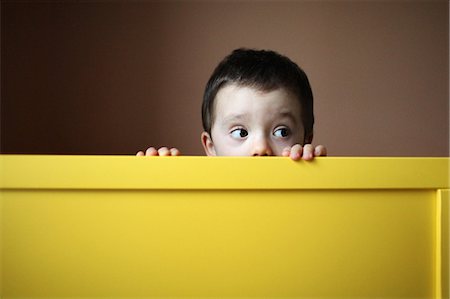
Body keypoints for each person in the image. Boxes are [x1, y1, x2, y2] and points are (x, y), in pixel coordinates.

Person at [137, 48, 326, 161]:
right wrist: (157, 181)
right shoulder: (199, 199)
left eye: (282, 132)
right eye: (240, 132)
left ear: (305, 140)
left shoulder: (311, 194)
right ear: (211, 147)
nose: (260, 148)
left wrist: (319, 176)